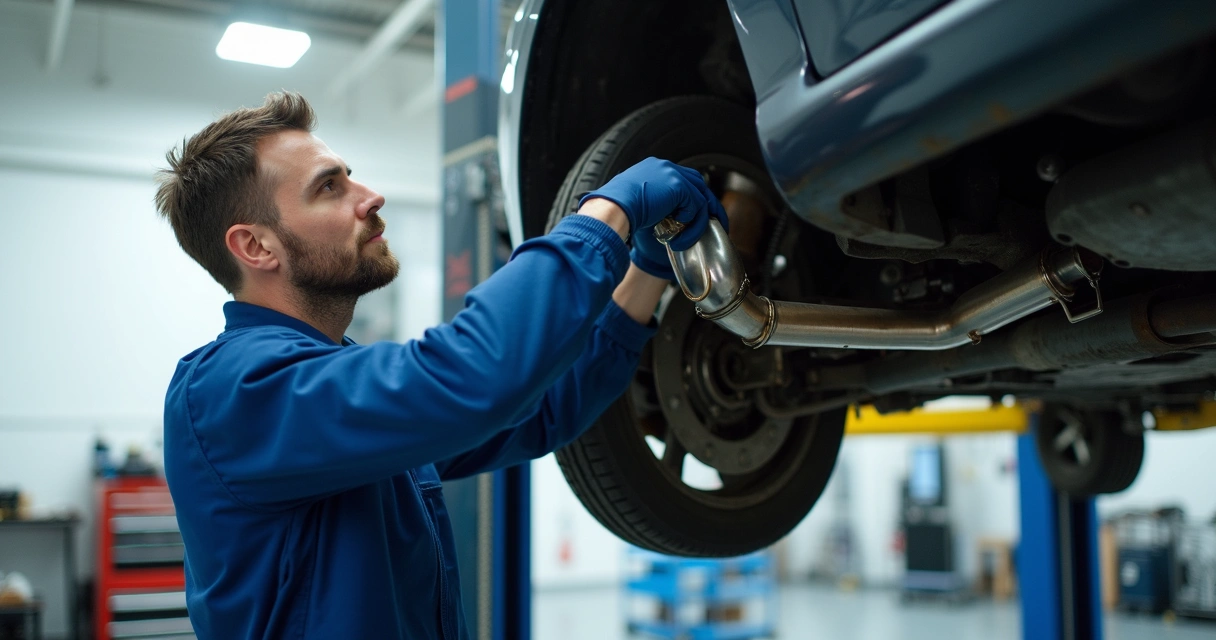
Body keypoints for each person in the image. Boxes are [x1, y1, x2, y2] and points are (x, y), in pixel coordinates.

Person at [154, 91, 727, 640]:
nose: (370, 195)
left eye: (350, 174)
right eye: (329, 187)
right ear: (256, 247)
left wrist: (649, 268)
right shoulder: (230, 391)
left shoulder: (333, 386)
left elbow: (541, 412)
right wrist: (606, 215)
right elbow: (476, 376)